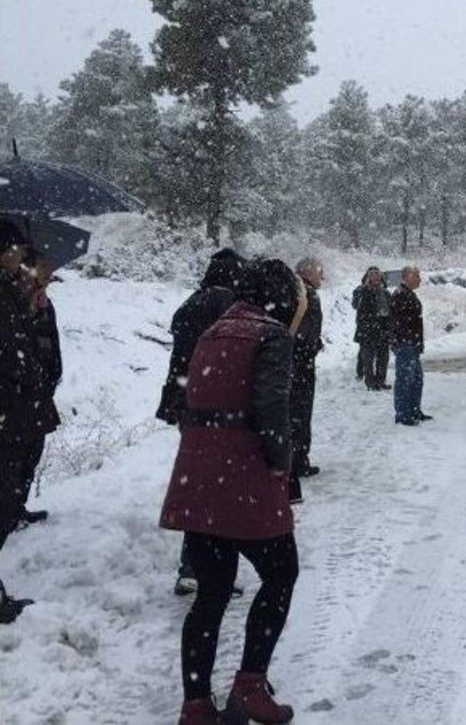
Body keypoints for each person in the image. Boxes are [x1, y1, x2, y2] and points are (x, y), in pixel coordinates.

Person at [159, 259, 305, 725]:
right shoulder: (271, 335)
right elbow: (271, 408)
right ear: (281, 297)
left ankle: (196, 706)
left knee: (212, 593)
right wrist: (283, 465)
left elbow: (190, 396)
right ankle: (251, 683)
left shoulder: (213, 330)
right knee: (281, 574)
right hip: (244, 479)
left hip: (200, 478)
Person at [156, 248, 246, 596]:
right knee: (222, 487)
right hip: (216, 404)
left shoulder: (193, 302)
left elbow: (181, 351)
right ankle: (208, 568)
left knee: (200, 483)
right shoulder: (226, 305)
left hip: (188, 402)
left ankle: (193, 567)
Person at [0, 219, 47, 623]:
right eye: (16, 249)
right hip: (7, 412)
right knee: (4, 497)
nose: (21, 257)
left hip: (15, 412)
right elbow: (10, 354)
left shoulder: (12, 292)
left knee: (8, 496)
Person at [13, 250, 63, 529]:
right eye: (45, 268)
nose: (49, 274)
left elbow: (51, 346)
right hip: (17, 398)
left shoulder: (46, 305)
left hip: (40, 395)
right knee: (11, 461)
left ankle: (16, 508)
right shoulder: (13, 302)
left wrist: (52, 377)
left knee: (31, 455)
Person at [289, 257, 324, 503]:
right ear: (307, 273)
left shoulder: (298, 291)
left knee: (299, 411)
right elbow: (303, 330)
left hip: (297, 359)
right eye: (319, 272)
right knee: (300, 411)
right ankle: (297, 461)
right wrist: (308, 347)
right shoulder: (304, 294)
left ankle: (299, 459)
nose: (322, 276)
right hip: (300, 362)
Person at [390, 266, 431, 426]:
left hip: (411, 344)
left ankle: (414, 410)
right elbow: (398, 324)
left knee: (416, 379)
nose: (420, 279)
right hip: (405, 344)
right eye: (416, 276)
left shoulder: (408, 294)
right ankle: (403, 413)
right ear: (406, 277)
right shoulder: (400, 295)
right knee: (405, 380)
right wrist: (404, 342)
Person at [352, 266, 392, 390]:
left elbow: (390, 311)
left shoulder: (385, 293)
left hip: (382, 330)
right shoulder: (361, 292)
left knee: (383, 358)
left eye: (378, 279)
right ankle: (370, 382)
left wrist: (390, 328)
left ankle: (381, 381)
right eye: (373, 279)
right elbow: (356, 305)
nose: (376, 282)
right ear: (368, 279)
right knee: (367, 359)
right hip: (367, 331)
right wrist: (365, 290)